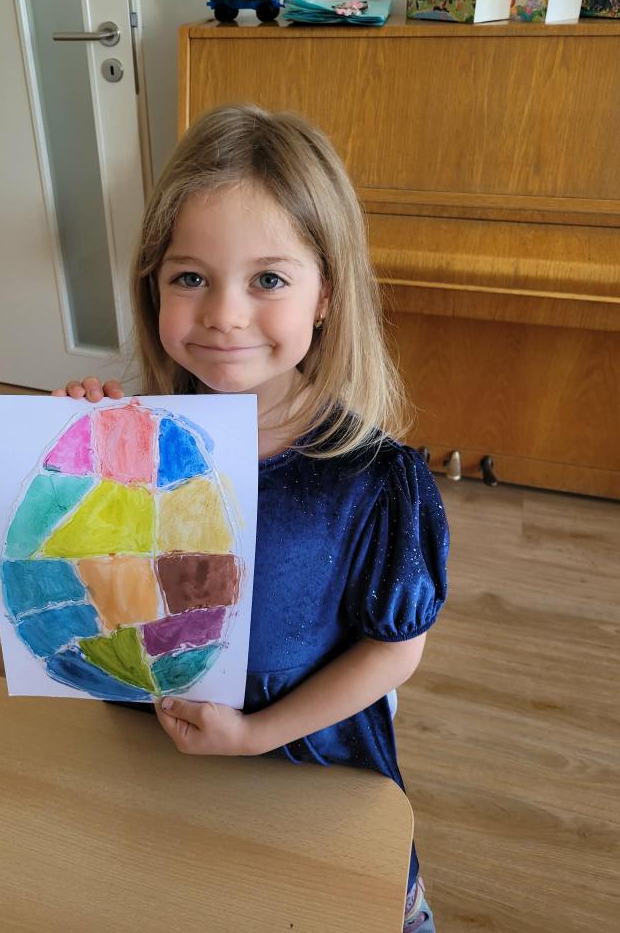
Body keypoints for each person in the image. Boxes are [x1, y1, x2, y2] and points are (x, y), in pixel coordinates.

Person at [54, 104, 448, 932]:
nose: (224, 314)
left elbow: (395, 651)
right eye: (190, 278)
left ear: (325, 295)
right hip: (152, 749)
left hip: (301, 763)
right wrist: (76, 450)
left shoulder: (378, 481)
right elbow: (93, 585)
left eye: (268, 280)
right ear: (153, 285)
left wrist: (256, 734)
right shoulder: (139, 442)